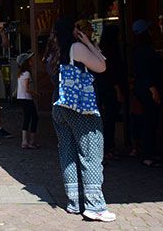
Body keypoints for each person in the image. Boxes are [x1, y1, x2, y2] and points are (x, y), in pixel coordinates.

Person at [51, 16, 115, 222]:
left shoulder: (54, 50)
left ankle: (73, 201)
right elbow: (101, 65)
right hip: (80, 107)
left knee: (67, 153)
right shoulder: (76, 47)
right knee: (91, 151)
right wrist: (87, 41)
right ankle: (94, 205)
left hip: (59, 104)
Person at [131, 19, 163, 168]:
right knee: (149, 121)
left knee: (150, 121)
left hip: (144, 88)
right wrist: (153, 89)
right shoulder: (143, 50)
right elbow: (145, 72)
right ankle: (148, 154)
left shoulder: (139, 49)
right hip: (148, 90)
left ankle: (150, 151)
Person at [94, 24, 125, 161]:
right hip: (109, 89)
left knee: (105, 119)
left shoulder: (100, 50)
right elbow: (113, 73)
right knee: (109, 119)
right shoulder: (112, 51)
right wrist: (118, 90)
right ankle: (108, 147)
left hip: (100, 88)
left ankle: (105, 148)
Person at [16, 51, 39, 149]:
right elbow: (26, 88)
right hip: (27, 98)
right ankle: (31, 141)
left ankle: (25, 141)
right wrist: (35, 93)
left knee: (27, 118)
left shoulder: (20, 74)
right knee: (34, 118)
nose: (32, 61)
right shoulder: (27, 74)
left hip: (21, 97)